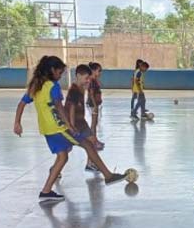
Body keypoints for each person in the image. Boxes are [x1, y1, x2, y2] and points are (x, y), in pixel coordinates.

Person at [13, 56, 125, 202]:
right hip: (59, 128)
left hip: (47, 130)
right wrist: (70, 126)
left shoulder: (36, 86)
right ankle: (108, 176)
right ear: (52, 70)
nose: (60, 77)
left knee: (63, 157)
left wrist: (17, 123)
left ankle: (46, 191)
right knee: (88, 145)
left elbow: (21, 104)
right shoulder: (53, 87)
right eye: (59, 73)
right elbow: (59, 108)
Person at [66, 64, 102, 172]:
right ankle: (55, 170)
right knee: (64, 152)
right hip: (75, 125)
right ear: (78, 75)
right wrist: (72, 126)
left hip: (82, 123)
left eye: (89, 79)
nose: (88, 81)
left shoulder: (81, 88)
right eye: (86, 78)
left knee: (92, 142)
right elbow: (71, 109)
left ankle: (90, 164)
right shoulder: (74, 90)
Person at [87, 61, 104, 149]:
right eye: (99, 70)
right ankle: (93, 142)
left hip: (96, 104)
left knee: (95, 123)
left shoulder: (94, 80)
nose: (100, 72)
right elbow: (91, 93)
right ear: (93, 71)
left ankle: (95, 139)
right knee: (93, 124)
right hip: (93, 105)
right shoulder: (91, 81)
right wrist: (95, 106)